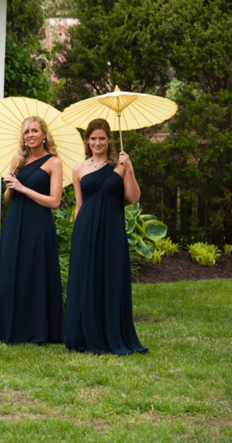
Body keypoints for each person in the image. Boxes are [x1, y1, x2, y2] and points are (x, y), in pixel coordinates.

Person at [65, 118, 147, 355]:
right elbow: (79, 205)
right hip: (85, 229)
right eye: (93, 138)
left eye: (102, 138)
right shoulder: (79, 169)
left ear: (110, 139)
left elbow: (133, 198)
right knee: (85, 278)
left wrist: (129, 169)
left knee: (110, 277)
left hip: (112, 230)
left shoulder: (120, 166)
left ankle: (110, 332)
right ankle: (83, 334)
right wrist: (76, 233)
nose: (97, 142)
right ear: (87, 141)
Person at [0, 116, 65, 345]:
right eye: (27, 131)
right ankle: (10, 327)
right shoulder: (17, 160)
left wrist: (23, 188)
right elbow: (9, 198)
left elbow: (55, 201)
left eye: (35, 131)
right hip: (15, 221)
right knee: (11, 271)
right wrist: (10, 184)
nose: (30, 135)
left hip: (39, 224)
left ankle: (38, 330)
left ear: (44, 135)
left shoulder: (53, 163)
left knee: (35, 272)